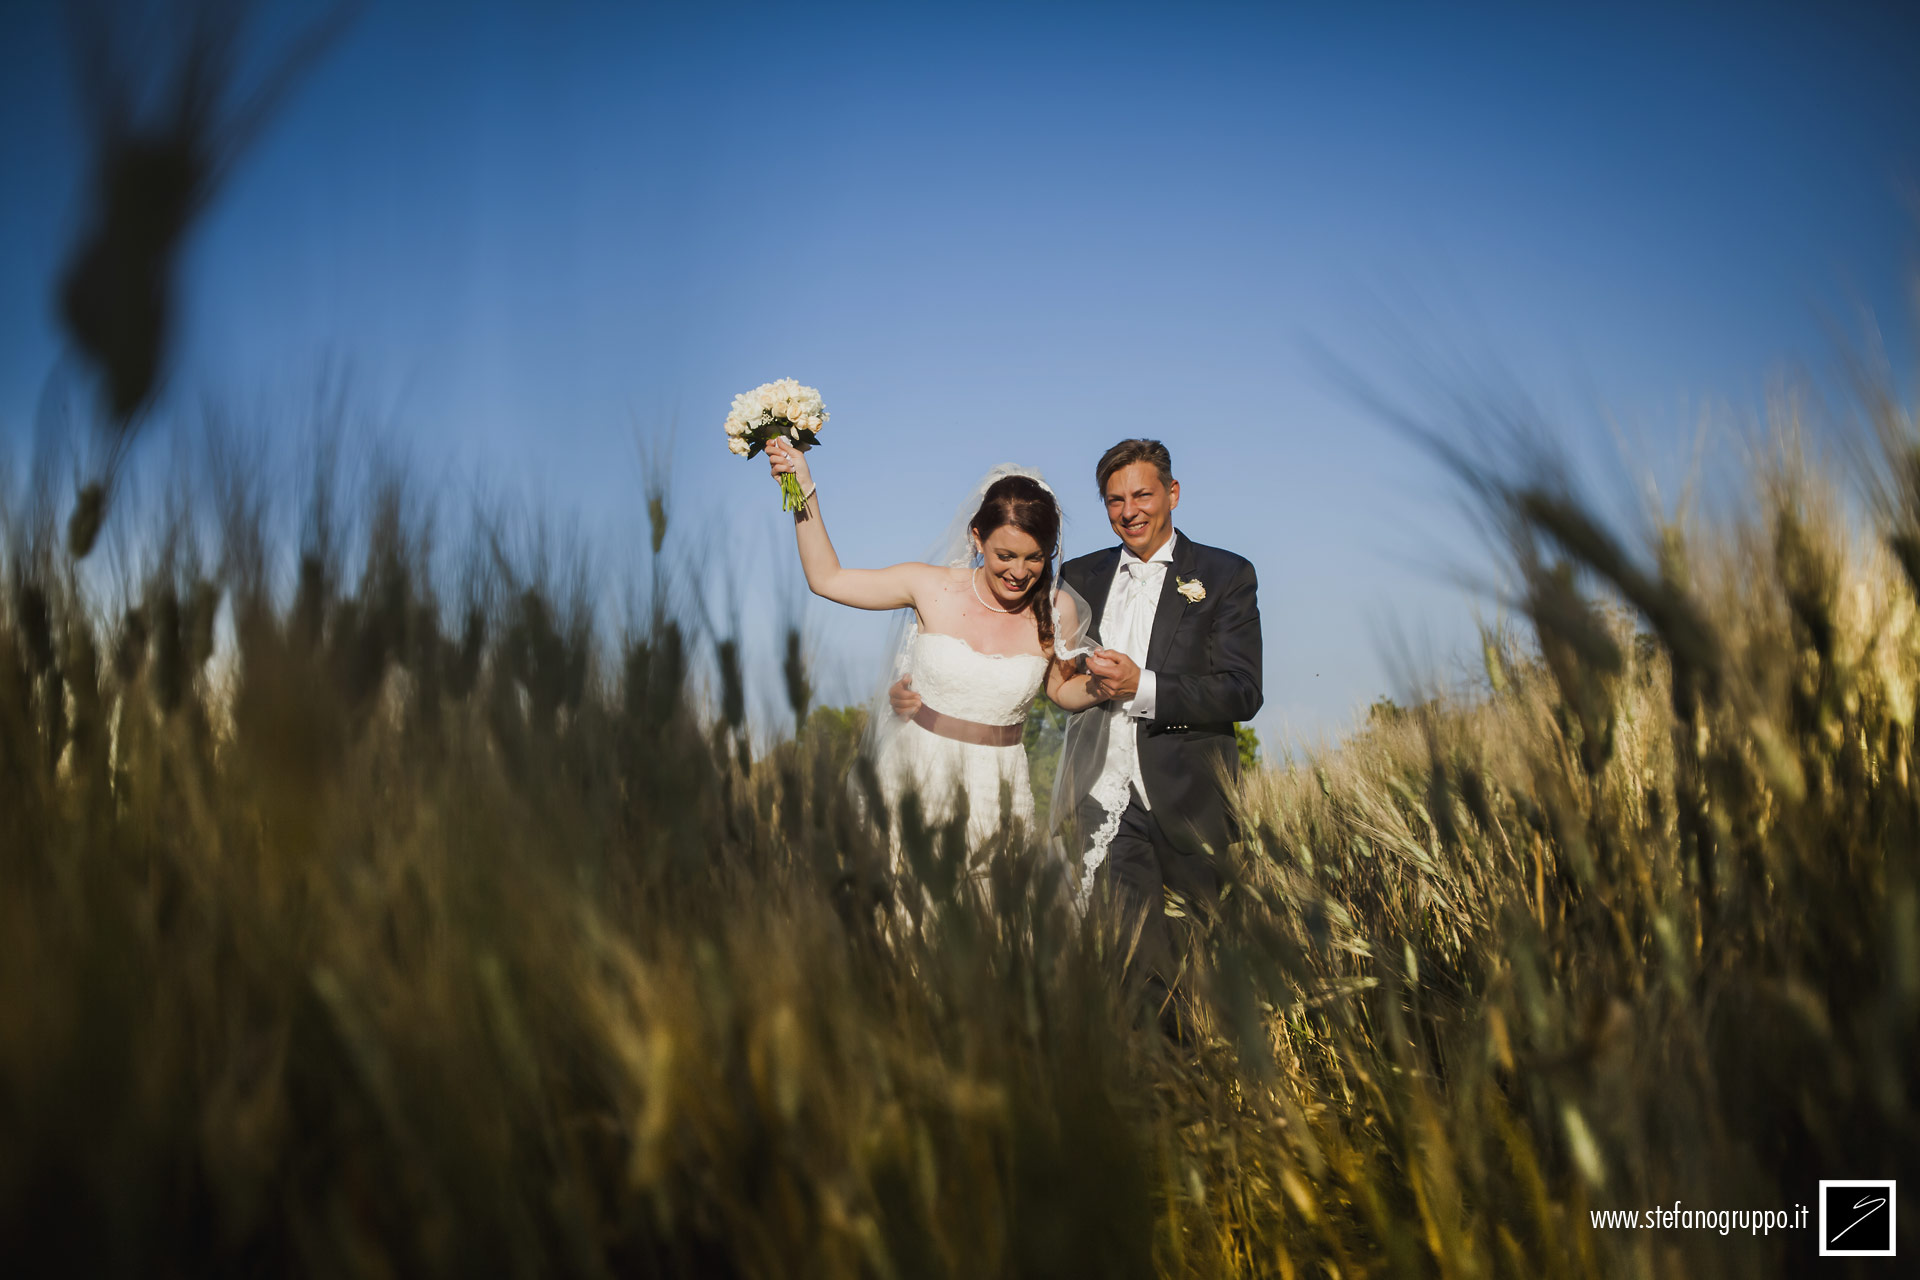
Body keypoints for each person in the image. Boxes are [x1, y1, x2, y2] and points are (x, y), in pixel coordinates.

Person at [898, 437, 1262, 1025]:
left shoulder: (1224, 575)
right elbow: (1032, 661)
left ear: (1172, 493)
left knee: (1198, 964)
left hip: (1186, 800)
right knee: (1129, 962)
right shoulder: (1078, 576)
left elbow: (1243, 690)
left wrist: (1143, 686)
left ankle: (1207, 1094)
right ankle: (1148, 1090)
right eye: (1114, 500)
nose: (1129, 510)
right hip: (1102, 800)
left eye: (1142, 494)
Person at [765, 437, 1104, 861]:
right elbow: (826, 579)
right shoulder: (929, 586)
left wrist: (1103, 686)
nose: (1020, 572)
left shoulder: (1056, 610)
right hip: (912, 776)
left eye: (1035, 558)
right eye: (1006, 555)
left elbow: (1061, 689)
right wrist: (803, 489)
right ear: (977, 539)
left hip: (995, 791)